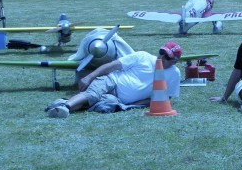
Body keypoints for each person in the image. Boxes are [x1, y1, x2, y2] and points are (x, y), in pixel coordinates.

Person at [45, 42, 183, 118]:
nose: (162, 58)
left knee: (104, 106)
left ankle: (61, 104)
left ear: (175, 61)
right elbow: (112, 66)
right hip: (112, 80)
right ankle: (66, 107)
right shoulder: (143, 56)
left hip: (120, 100)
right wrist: (90, 77)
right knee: (93, 94)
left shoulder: (174, 74)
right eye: (161, 53)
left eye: (167, 57)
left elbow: (165, 98)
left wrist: (133, 105)